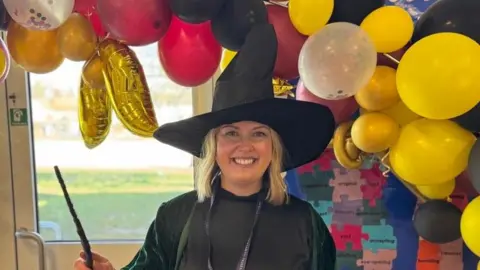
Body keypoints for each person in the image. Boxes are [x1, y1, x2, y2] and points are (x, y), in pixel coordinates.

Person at [74, 23, 336, 270]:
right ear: (212, 145)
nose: (245, 146)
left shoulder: (305, 222)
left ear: (273, 147)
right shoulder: (176, 216)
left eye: (258, 134)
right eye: (231, 133)